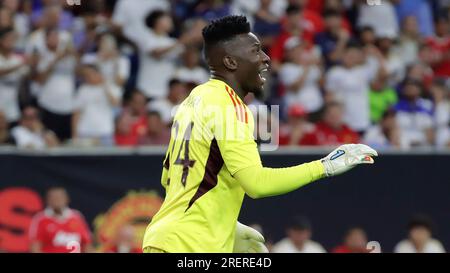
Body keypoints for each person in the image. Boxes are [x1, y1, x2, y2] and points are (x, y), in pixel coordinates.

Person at [142, 15, 378, 253]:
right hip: (189, 246)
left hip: (167, 238)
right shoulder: (230, 106)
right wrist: (324, 166)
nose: (266, 58)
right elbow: (256, 184)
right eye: (256, 51)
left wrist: (225, 225)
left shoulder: (193, 99)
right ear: (231, 62)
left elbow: (171, 179)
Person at [29, 187, 93, 253]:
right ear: (47, 200)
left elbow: (87, 244)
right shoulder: (41, 219)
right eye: (53, 198)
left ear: (67, 199)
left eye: (59, 197)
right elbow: (35, 247)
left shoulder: (77, 217)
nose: (57, 200)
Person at [72, 64, 121, 146]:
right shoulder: (83, 90)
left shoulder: (112, 87)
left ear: (98, 73)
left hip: (105, 132)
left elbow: (115, 104)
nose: (87, 78)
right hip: (85, 132)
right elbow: (76, 113)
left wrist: (105, 85)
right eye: (85, 76)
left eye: (89, 74)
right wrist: (75, 134)